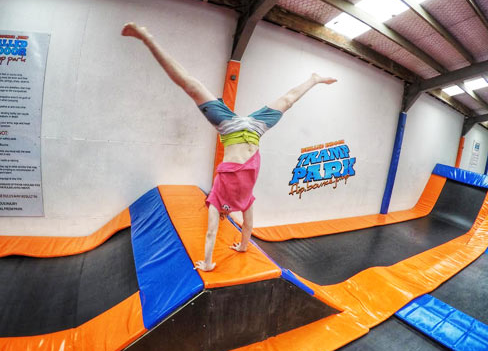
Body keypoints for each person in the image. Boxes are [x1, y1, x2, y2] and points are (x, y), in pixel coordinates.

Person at [121, 23, 337, 271]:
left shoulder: (219, 199)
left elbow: (216, 231)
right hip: (254, 129)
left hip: (234, 128)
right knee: (286, 100)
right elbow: (243, 229)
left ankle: (149, 39)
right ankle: (313, 79)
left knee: (190, 85)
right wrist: (238, 249)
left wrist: (209, 264)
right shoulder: (241, 201)